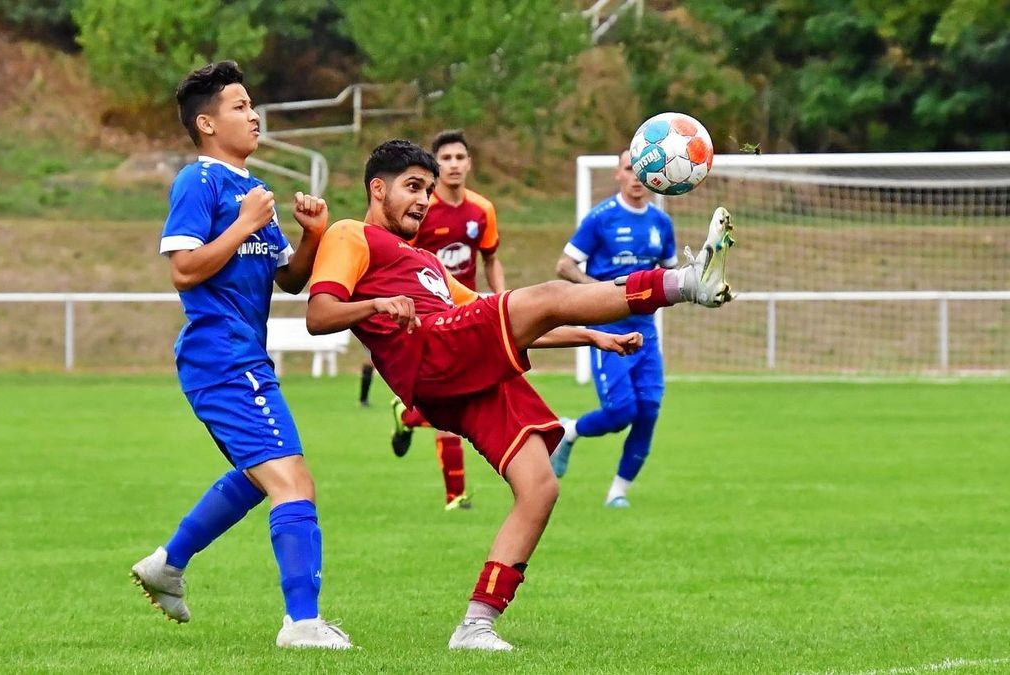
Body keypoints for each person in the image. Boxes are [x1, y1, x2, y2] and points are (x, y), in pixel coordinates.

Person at [305, 139, 734, 651]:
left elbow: (503, 318)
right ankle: (685, 283)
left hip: (462, 373)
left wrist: (591, 335)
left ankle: (476, 623)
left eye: (428, 190)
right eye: (412, 187)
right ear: (378, 188)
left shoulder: (427, 263)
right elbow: (319, 315)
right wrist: (378, 304)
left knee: (540, 487)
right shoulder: (349, 233)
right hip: (431, 352)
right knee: (550, 295)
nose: (423, 200)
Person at [129, 61, 352, 650]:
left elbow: (290, 281)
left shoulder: (251, 193)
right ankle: (301, 623)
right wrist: (245, 223)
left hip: (240, 356)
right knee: (294, 481)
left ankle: (166, 565)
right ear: (206, 123)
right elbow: (183, 269)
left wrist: (311, 235)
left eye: (252, 105)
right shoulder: (198, 182)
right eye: (239, 106)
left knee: (261, 478)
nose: (253, 115)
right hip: (221, 356)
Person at [550, 149, 678, 508]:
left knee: (648, 411)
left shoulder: (661, 224)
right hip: (609, 331)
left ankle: (617, 492)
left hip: (646, 333)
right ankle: (569, 431)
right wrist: (598, 291)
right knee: (622, 411)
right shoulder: (601, 218)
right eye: (629, 169)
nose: (637, 177)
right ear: (618, 175)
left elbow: (667, 275)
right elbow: (565, 265)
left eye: (644, 170)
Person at [388, 129, 506, 511]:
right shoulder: (422, 209)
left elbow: (490, 259)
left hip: (467, 312)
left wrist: (501, 300)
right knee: (454, 400)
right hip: (426, 319)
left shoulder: (481, 210)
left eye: (460, 157)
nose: (453, 165)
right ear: (436, 167)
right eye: (446, 159)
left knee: (462, 398)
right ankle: (455, 494)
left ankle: (409, 417)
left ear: (469, 163)